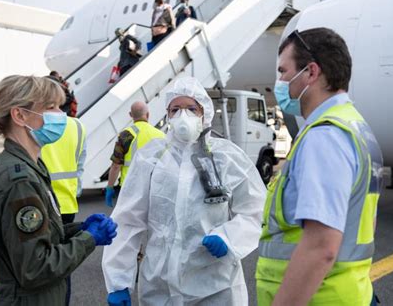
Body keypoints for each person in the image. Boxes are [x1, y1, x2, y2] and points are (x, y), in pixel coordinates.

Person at [102, 77, 266, 305]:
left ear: (204, 113)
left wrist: (229, 237)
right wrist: (118, 281)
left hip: (215, 286)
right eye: (175, 109)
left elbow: (256, 211)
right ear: (168, 115)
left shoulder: (227, 157)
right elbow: (128, 221)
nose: (183, 115)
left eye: (191, 108)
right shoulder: (151, 158)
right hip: (160, 286)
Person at [256, 28, 384, 306]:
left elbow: (321, 247)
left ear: (311, 73)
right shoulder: (353, 125)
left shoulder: (324, 137)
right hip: (348, 292)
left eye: (283, 71)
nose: (279, 82)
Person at [0, 75, 117, 305]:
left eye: (60, 107)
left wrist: (80, 229)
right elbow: (36, 268)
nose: (61, 115)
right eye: (51, 107)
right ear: (20, 115)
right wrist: (89, 239)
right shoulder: (19, 180)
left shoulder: (31, 165)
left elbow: (38, 238)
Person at [40, 97, 87, 305]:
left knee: (41, 262)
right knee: (63, 263)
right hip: (67, 202)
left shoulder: (38, 125)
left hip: (42, 201)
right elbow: (81, 163)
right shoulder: (78, 126)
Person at [104, 101, 165, 207]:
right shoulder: (161, 136)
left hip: (129, 188)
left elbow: (116, 166)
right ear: (148, 114)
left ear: (130, 115)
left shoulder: (125, 135)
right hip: (153, 187)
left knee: (129, 222)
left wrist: (110, 187)